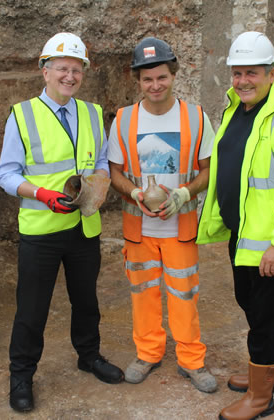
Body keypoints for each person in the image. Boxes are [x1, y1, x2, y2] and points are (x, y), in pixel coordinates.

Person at [0, 32, 124, 413]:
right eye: (62, 69)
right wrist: (42, 194)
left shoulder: (90, 112)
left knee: (86, 301)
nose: (70, 76)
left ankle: (89, 355)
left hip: (84, 228)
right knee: (32, 309)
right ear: (45, 71)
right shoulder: (21, 115)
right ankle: (21, 376)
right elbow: (5, 173)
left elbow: (100, 160)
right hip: (41, 232)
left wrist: (98, 184)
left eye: (77, 69)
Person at [197, 31, 274, 419]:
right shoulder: (237, 109)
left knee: (266, 318)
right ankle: (273, 374)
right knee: (252, 306)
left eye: (252, 72)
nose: (242, 80)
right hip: (244, 237)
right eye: (237, 73)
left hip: (273, 246)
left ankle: (261, 398)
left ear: (272, 72)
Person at [107, 37, 217, 393]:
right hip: (139, 228)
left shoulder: (196, 117)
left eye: (161, 78)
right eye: (147, 79)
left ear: (174, 75)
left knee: (184, 294)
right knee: (143, 292)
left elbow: (207, 169)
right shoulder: (123, 120)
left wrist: (185, 192)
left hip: (180, 226)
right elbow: (116, 174)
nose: (155, 86)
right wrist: (135, 192)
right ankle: (148, 353)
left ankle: (191, 360)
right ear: (137, 81)